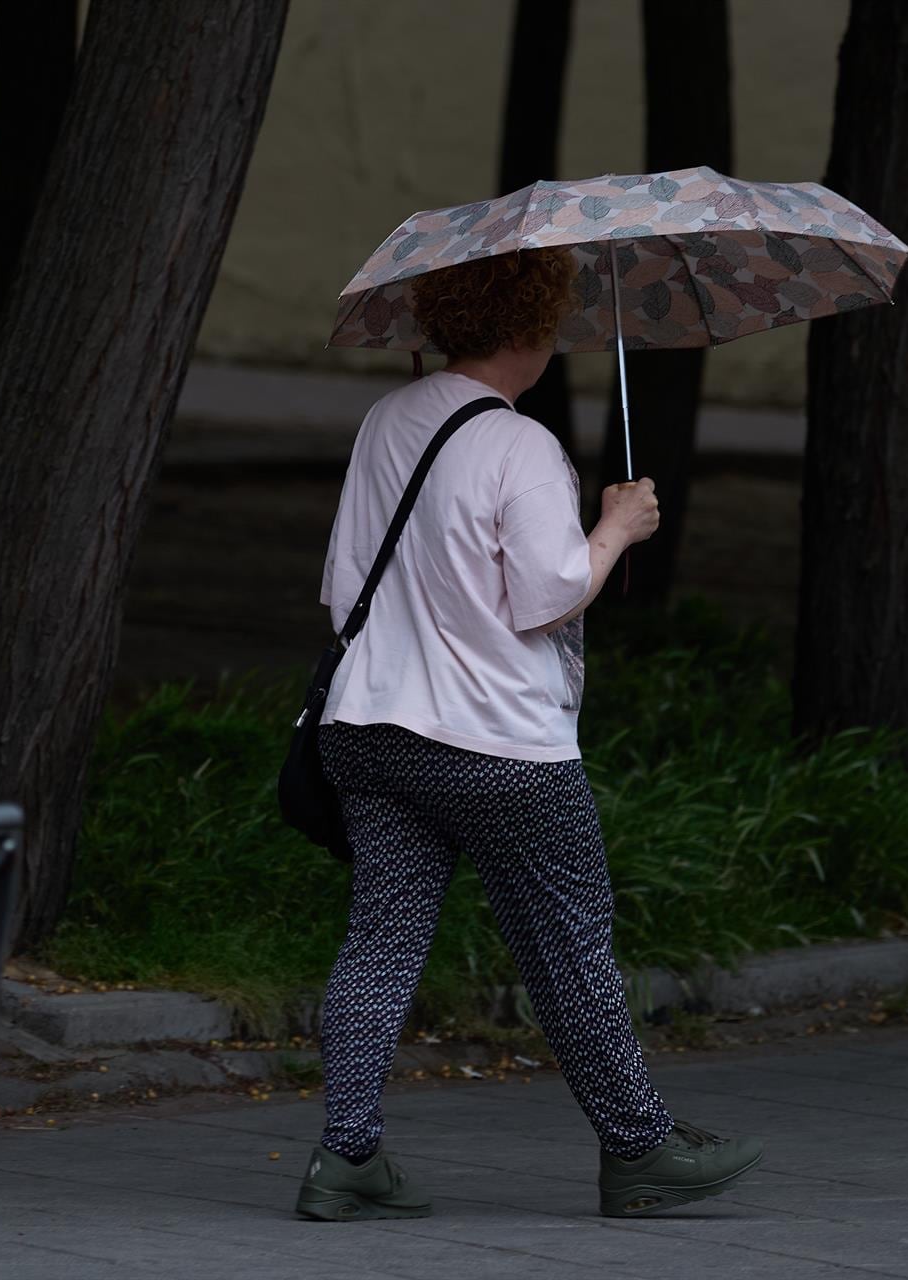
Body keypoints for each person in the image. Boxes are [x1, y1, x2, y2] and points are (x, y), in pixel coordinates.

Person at [295, 247, 762, 1221]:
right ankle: (639, 1148)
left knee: (380, 937)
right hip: (502, 749)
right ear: (530, 331)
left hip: (372, 732)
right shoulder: (521, 445)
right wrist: (619, 527)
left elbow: (342, 585)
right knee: (571, 945)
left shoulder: (388, 421)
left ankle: (346, 1156)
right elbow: (546, 594)